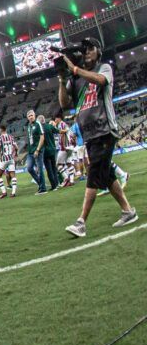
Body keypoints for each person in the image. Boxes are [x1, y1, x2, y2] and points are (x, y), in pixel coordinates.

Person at [56, 38, 137, 237]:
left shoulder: (104, 68)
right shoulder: (75, 79)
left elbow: (101, 81)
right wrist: (61, 77)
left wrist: (75, 70)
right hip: (89, 135)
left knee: (93, 173)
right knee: (106, 173)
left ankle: (81, 222)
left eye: (91, 48)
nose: (87, 52)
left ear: (98, 51)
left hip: (105, 130)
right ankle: (128, 211)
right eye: (84, 50)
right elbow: (64, 104)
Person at [24, 110, 47, 194]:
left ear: (34, 115)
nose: (31, 117)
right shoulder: (29, 126)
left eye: (32, 115)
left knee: (40, 169)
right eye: (29, 116)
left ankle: (43, 189)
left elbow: (42, 137)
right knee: (29, 168)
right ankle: (41, 184)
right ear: (27, 117)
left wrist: (37, 150)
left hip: (38, 150)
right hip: (30, 151)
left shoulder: (38, 124)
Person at [0, 125, 19, 198]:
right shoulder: (11, 137)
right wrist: (15, 153)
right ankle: (13, 193)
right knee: (13, 175)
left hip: (4, 159)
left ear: (0, 130)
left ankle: (4, 192)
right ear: (6, 129)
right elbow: (16, 147)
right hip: (11, 158)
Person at [40, 114, 60, 191]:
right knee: (54, 167)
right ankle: (57, 183)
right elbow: (58, 131)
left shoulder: (40, 128)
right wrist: (65, 130)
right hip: (53, 149)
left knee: (49, 169)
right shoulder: (49, 126)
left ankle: (53, 186)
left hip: (45, 151)